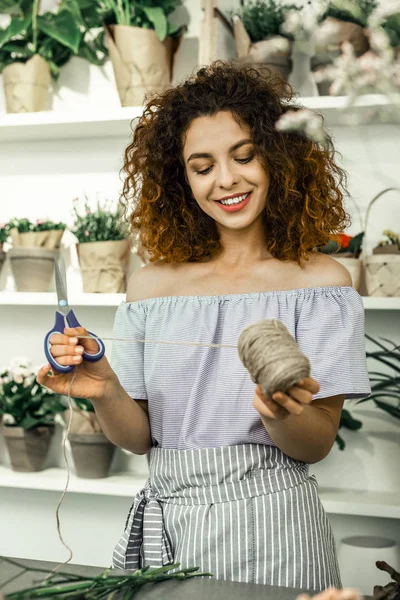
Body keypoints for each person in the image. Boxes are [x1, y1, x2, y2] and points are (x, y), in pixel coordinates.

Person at [37, 62, 371, 591]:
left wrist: (282, 412)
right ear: (180, 179)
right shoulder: (150, 288)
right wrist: (103, 392)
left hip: (276, 532)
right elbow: (140, 439)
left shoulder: (323, 283)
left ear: (278, 159)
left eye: (244, 156)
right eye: (202, 166)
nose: (227, 179)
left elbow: (315, 444)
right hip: (170, 528)